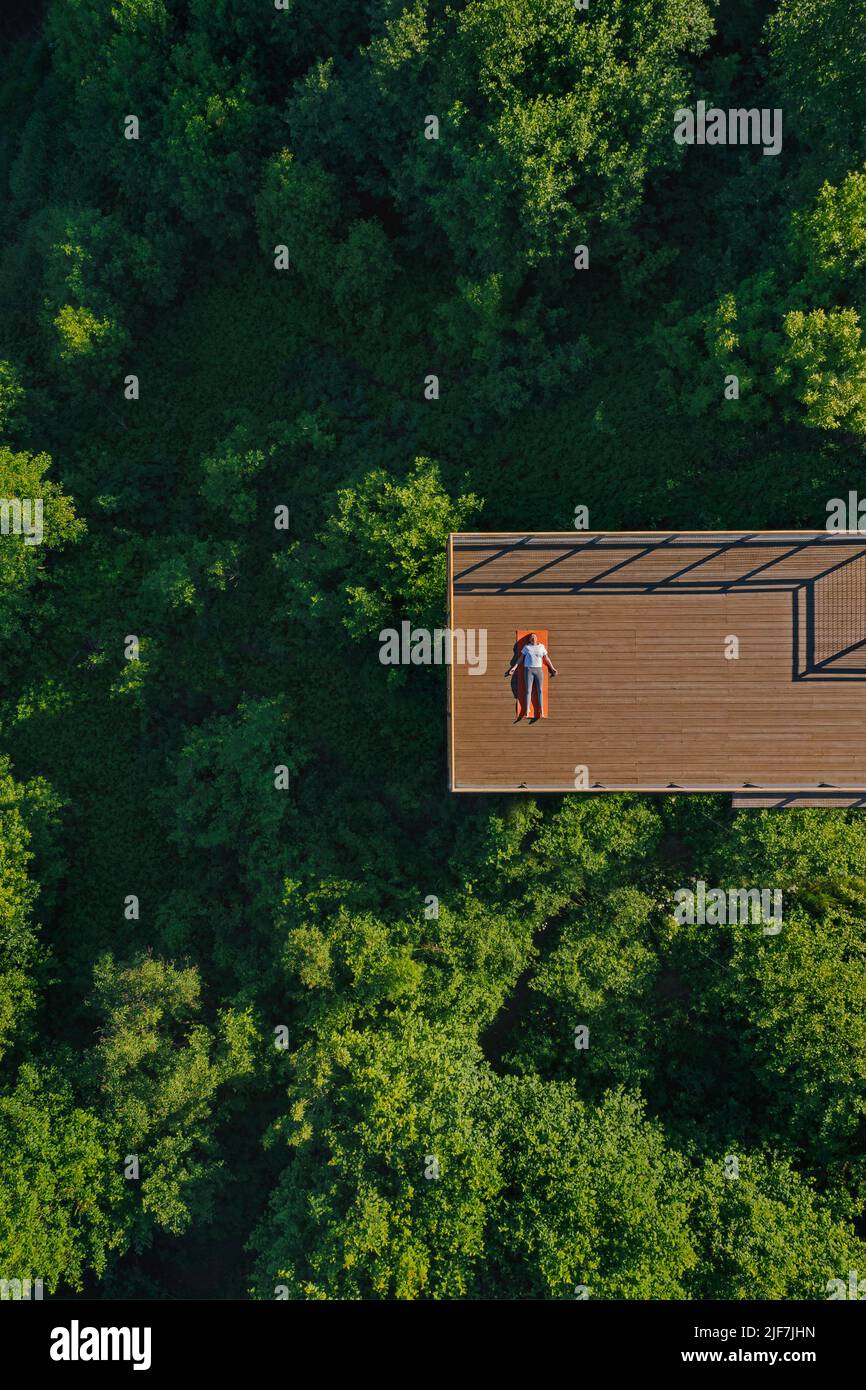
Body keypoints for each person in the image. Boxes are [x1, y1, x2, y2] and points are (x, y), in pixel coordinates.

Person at [508, 633, 558, 715]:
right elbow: (521, 658)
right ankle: (527, 709)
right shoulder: (527, 647)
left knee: (540, 690)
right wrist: (514, 667)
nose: (533, 638)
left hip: (538, 670)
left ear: (537, 638)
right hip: (528, 670)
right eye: (531, 637)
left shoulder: (541, 647)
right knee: (528, 690)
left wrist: (552, 668)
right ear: (529, 639)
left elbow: (546, 658)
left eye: (534, 636)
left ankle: (541, 709)